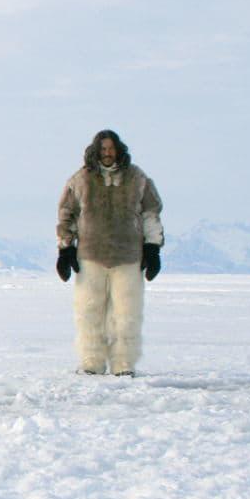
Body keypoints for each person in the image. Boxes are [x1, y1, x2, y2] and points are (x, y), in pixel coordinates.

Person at [56, 129, 165, 376]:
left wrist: (152, 247)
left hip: (128, 256)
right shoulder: (80, 180)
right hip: (90, 256)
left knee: (126, 313)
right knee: (89, 311)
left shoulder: (138, 179)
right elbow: (66, 215)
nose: (107, 153)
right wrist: (65, 249)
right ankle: (91, 362)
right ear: (96, 151)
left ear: (119, 150)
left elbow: (151, 213)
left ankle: (124, 364)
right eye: (103, 149)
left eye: (111, 149)